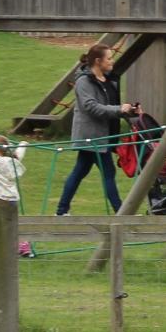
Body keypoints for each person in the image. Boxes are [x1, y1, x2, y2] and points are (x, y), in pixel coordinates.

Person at [57, 42, 132, 214]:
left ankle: (61, 211)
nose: (112, 61)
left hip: (104, 135)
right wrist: (119, 109)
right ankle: (121, 213)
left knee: (80, 171)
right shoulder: (84, 81)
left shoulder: (108, 80)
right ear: (98, 61)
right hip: (91, 136)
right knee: (108, 171)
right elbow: (91, 107)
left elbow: (112, 107)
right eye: (109, 58)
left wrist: (130, 111)